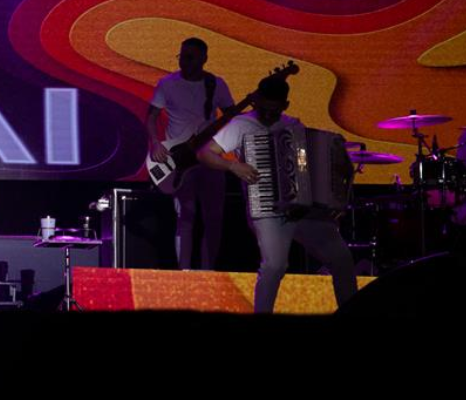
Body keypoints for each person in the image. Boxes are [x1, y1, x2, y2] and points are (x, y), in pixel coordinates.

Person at [198, 76, 358, 313]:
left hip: (304, 209)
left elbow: (311, 166)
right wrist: (233, 166)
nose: (268, 115)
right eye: (264, 108)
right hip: (267, 209)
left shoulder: (294, 126)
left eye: (275, 111)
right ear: (257, 102)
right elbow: (205, 154)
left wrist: (333, 194)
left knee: (342, 259)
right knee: (274, 266)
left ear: (285, 105)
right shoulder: (241, 125)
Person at [146, 37, 237, 270]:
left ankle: (209, 272)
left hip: (210, 157)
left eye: (190, 57)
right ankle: (184, 272)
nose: (184, 61)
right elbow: (152, 116)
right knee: (186, 216)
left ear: (204, 59)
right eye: (181, 56)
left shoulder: (216, 85)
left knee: (213, 217)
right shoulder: (167, 84)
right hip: (180, 160)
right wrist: (156, 143)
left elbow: (231, 118)